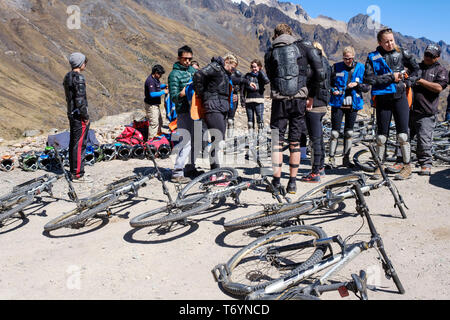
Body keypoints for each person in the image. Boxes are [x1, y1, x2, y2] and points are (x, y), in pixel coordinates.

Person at [264, 23, 325, 194]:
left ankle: (276, 182)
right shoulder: (303, 47)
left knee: (277, 142)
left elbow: (270, 76)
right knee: (295, 142)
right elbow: (320, 74)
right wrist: (311, 94)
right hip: (299, 99)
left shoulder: (269, 52)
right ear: (290, 33)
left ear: (275, 35)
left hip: (279, 100)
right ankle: (292, 183)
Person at [364, 28, 420, 181]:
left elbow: (417, 70)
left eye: (391, 40)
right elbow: (368, 79)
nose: (390, 44)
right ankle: (379, 166)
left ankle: (406, 166)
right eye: (386, 41)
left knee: (403, 134)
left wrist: (408, 82)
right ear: (379, 42)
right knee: (381, 137)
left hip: (400, 97)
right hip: (382, 99)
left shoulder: (402, 53)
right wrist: (391, 77)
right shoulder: (372, 57)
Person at [194, 54, 255, 171]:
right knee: (217, 140)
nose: (233, 70)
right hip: (213, 106)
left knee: (218, 140)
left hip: (220, 107)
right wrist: (202, 93)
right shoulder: (215, 67)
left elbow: (234, 79)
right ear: (227, 61)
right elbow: (198, 74)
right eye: (233, 67)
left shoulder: (224, 72)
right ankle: (215, 172)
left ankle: (215, 170)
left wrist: (247, 82)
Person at [329, 46, 371, 169]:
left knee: (349, 132)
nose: (348, 61)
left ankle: (346, 159)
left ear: (354, 57)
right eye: (345, 58)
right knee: (335, 133)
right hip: (338, 103)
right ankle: (331, 159)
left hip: (353, 103)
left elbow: (367, 87)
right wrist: (333, 90)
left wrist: (357, 85)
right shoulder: (336, 67)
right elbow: (329, 83)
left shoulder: (361, 68)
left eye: (350, 58)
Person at [410, 44, 449, 176]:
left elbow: (438, 87)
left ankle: (425, 164)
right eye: (426, 54)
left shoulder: (441, 70)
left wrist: (420, 81)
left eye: (431, 55)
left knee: (424, 141)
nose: (427, 57)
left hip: (426, 112)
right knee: (403, 138)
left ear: (437, 57)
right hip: (409, 110)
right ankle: (402, 162)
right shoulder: (416, 67)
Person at [168, 45, 202, 183]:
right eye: (185, 59)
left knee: (197, 141)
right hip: (183, 111)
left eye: (190, 59)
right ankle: (177, 172)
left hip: (195, 109)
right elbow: (174, 97)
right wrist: (184, 91)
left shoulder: (193, 71)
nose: (188, 61)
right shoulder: (174, 75)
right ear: (179, 58)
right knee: (186, 141)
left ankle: (190, 167)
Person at [301, 42, 332, 183]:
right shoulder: (326, 63)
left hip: (314, 103)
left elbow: (313, 81)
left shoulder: (314, 63)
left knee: (314, 139)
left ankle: (314, 172)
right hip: (324, 102)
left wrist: (310, 97)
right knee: (318, 135)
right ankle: (320, 168)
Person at [63, 52, 92, 183]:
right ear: (80, 63)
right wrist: (85, 116)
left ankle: (73, 170)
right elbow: (80, 100)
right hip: (79, 115)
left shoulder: (67, 77)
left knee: (73, 142)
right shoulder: (79, 78)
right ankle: (78, 173)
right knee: (80, 144)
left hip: (71, 112)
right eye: (84, 62)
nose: (85, 64)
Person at [243, 59, 270, 135]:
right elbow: (243, 88)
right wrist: (242, 99)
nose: (254, 68)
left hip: (259, 100)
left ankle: (261, 137)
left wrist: (260, 71)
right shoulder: (247, 75)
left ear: (259, 67)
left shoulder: (261, 76)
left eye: (255, 67)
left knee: (260, 120)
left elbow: (267, 81)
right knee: (250, 122)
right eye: (252, 67)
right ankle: (251, 138)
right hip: (249, 101)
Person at [144, 64, 168, 139]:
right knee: (154, 123)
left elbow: (158, 85)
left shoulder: (155, 79)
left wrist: (164, 86)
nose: (161, 76)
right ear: (155, 73)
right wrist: (163, 92)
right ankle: (151, 142)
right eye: (160, 74)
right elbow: (152, 94)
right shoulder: (150, 81)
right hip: (151, 105)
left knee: (160, 122)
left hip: (156, 105)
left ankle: (158, 138)